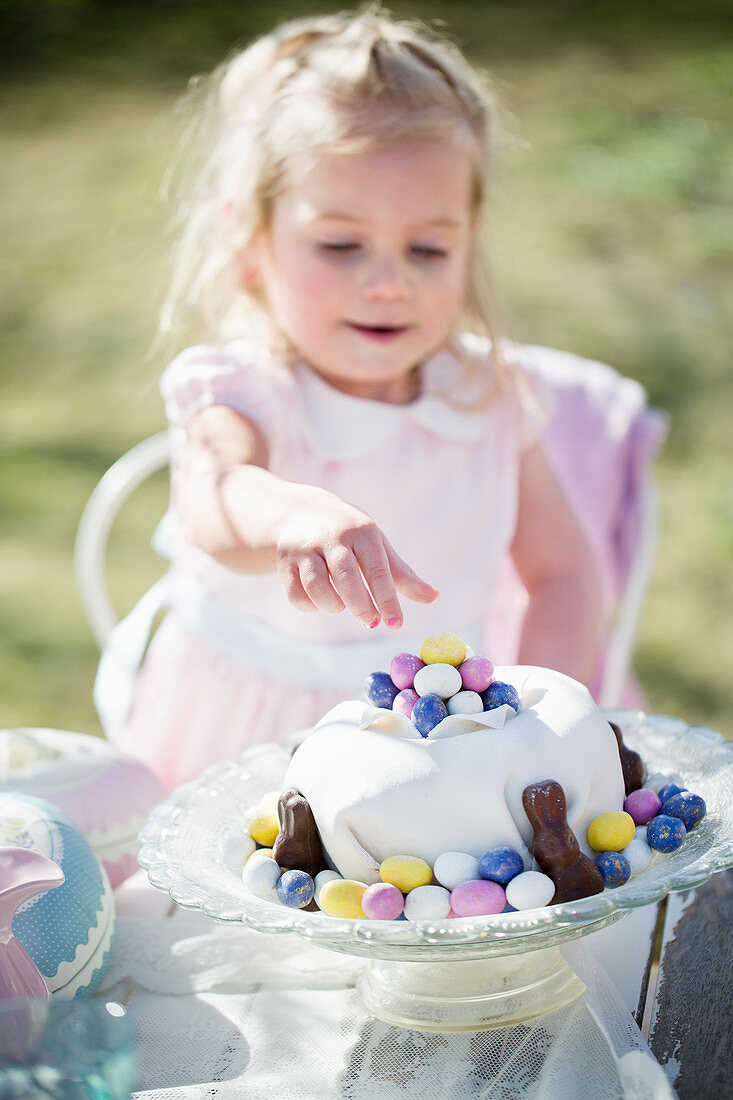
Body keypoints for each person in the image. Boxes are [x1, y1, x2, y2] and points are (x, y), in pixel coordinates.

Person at [97, 8, 603, 789]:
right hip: (245, 738)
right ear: (252, 243)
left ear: (469, 241)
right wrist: (292, 516)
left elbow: (562, 571)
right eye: (340, 245)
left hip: (431, 745)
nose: (389, 281)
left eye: (428, 248)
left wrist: (543, 727)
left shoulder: (488, 399)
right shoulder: (246, 384)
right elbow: (217, 501)